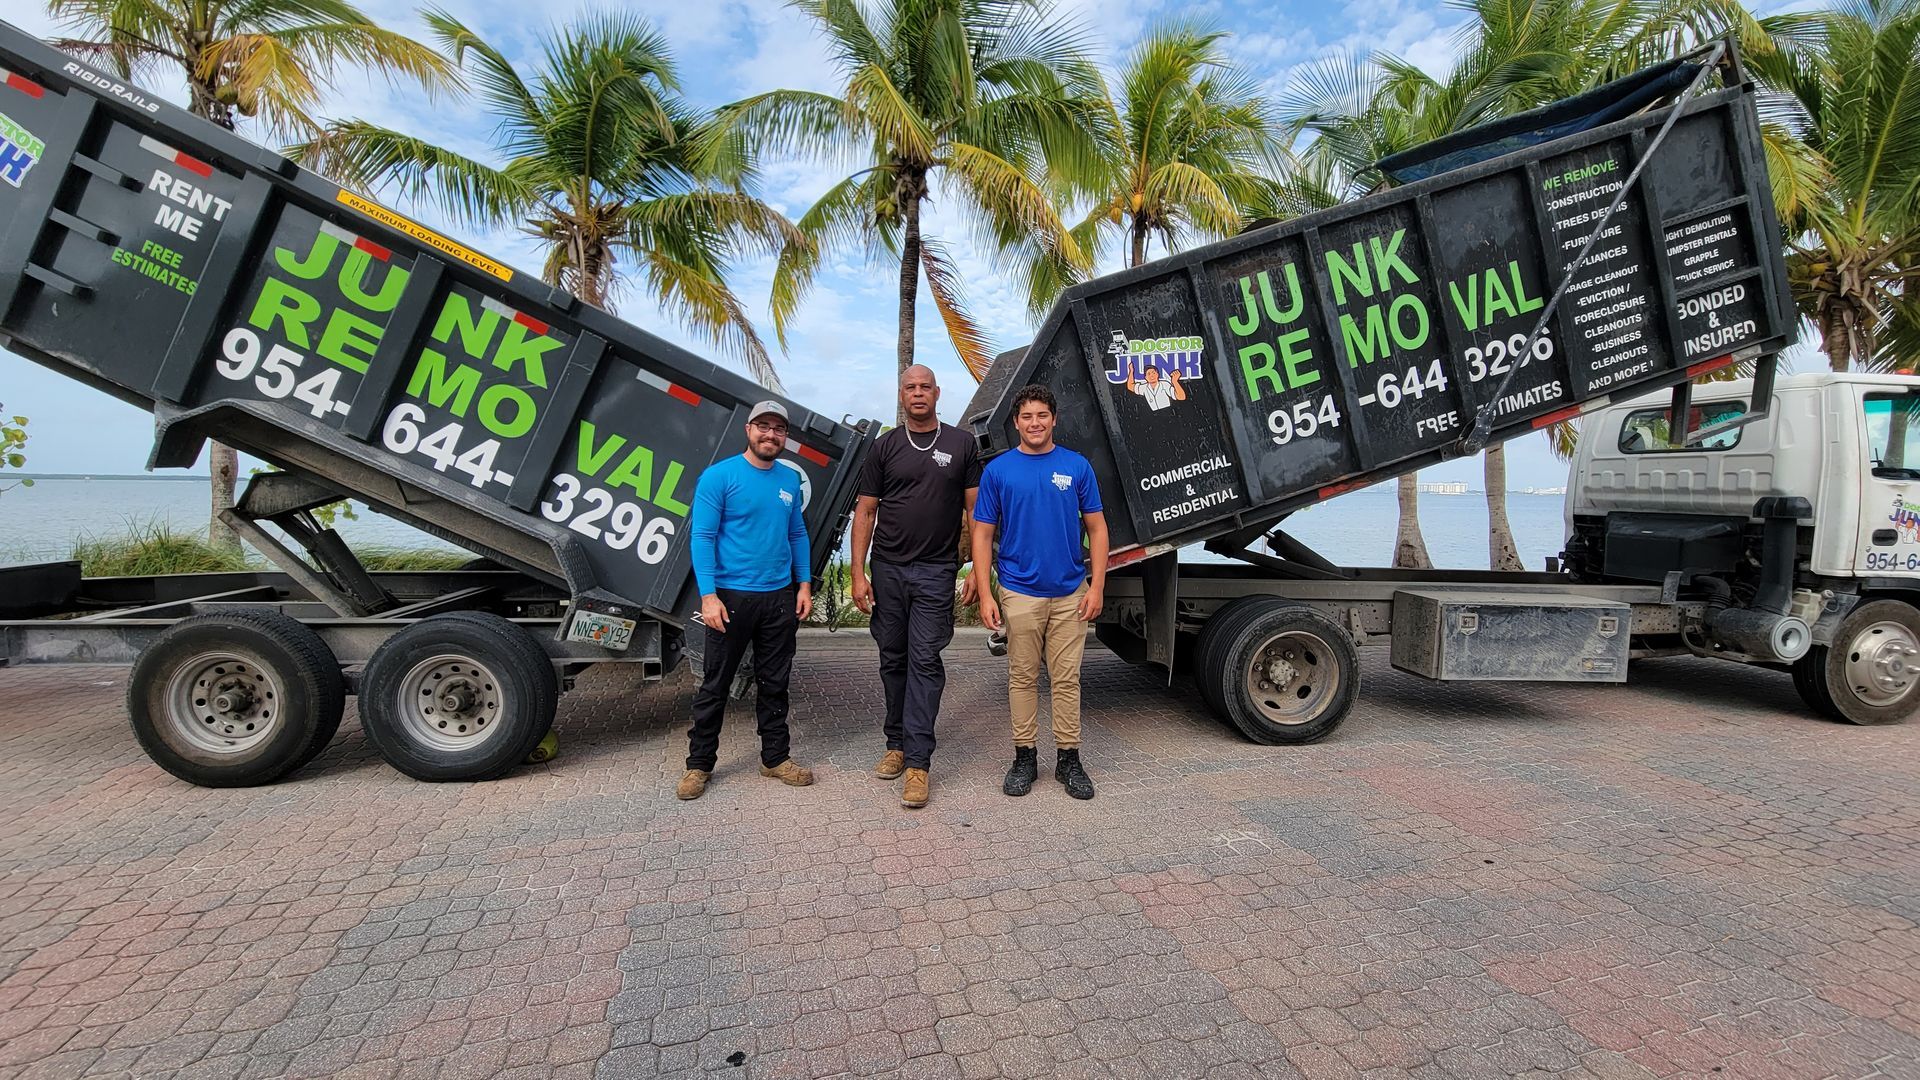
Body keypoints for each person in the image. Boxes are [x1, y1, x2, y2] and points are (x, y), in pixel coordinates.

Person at [850, 365, 981, 809]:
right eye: (911, 387)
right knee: (893, 659)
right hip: (887, 569)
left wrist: (980, 572)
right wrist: (856, 572)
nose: (919, 393)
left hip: (936, 570)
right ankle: (896, 743)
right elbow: (865, 512)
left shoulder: (961, 444)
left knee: (925, 661)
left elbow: (977, 515)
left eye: (926, 386)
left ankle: (919, 764)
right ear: (901, 394)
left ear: (937, 393)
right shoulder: (885, 447)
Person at [971, 384, 1108, 800]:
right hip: (1019, 591)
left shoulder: (1077, 466)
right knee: (1023, 677)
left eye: (1042, 416)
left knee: (1067, 680)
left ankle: (1069, 760)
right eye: (1027, 417)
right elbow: (982, 535)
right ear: (1016, 423)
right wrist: (986, 592)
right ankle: (1025, 757)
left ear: (1054, 419)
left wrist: (1096, 585)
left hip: (1070, 591)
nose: (1035, 423)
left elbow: (1098, 528)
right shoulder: (999, 471)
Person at [677, 401, 816, 800]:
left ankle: (775, 758)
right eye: (763, 426)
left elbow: (797, 536)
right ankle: (699, 765)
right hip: (730, 599)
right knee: (715, 684)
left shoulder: (789, 481)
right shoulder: (719, 477)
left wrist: (803, 586)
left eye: (778, 429)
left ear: (785, 437)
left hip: (778, 598)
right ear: (748, 429)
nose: (770, 435)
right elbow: (701, 537)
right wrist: (708, 596)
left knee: (775, 683)